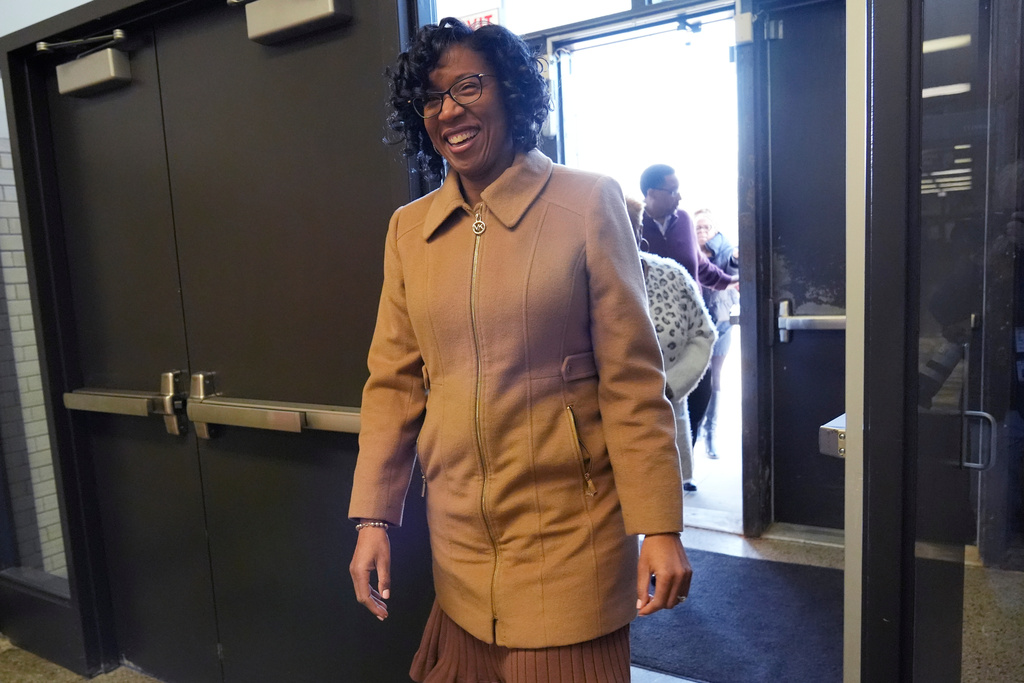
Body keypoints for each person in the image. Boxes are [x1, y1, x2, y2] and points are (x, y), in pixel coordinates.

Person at [348, 18, 692, 683]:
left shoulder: (585, 202)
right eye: (431, 97)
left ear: (510, 91)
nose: (449, 110)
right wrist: (373, 518)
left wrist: (662, 527)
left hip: (570, 546)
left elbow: (631, 382)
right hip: (459, 556)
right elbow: (392, 384)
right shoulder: (408, 231)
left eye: (468, 86)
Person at [639, 165, 737, 446]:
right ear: (651, 193)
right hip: (654, 334)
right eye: (672, 191)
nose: (679, 197)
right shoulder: (632, 223)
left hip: (691, 324)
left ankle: (686, 459)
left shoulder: (682, 220)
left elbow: (700, 264)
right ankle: (669, 464)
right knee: (663, 400)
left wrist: (729, 281)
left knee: (701, 392)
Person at [627, 197, 716, 492]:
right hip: (600, 426)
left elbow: (702, 333)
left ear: (640, 233)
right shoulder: (578, 281)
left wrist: (670, 386)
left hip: (665, 416)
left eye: (631, 228)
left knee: (662, 508)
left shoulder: (672, 275)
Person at [693, 208, 740, 459]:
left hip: (721, 324)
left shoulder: (725, 250)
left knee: (715, 377)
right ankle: (697, 429)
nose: (702, 232)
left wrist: (735, 258)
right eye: (698, 227)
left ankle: (710, 434)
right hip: (695, 326)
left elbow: (732, 268)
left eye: (706, 227)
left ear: (715, 229)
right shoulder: (689, 249)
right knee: (697, 378)